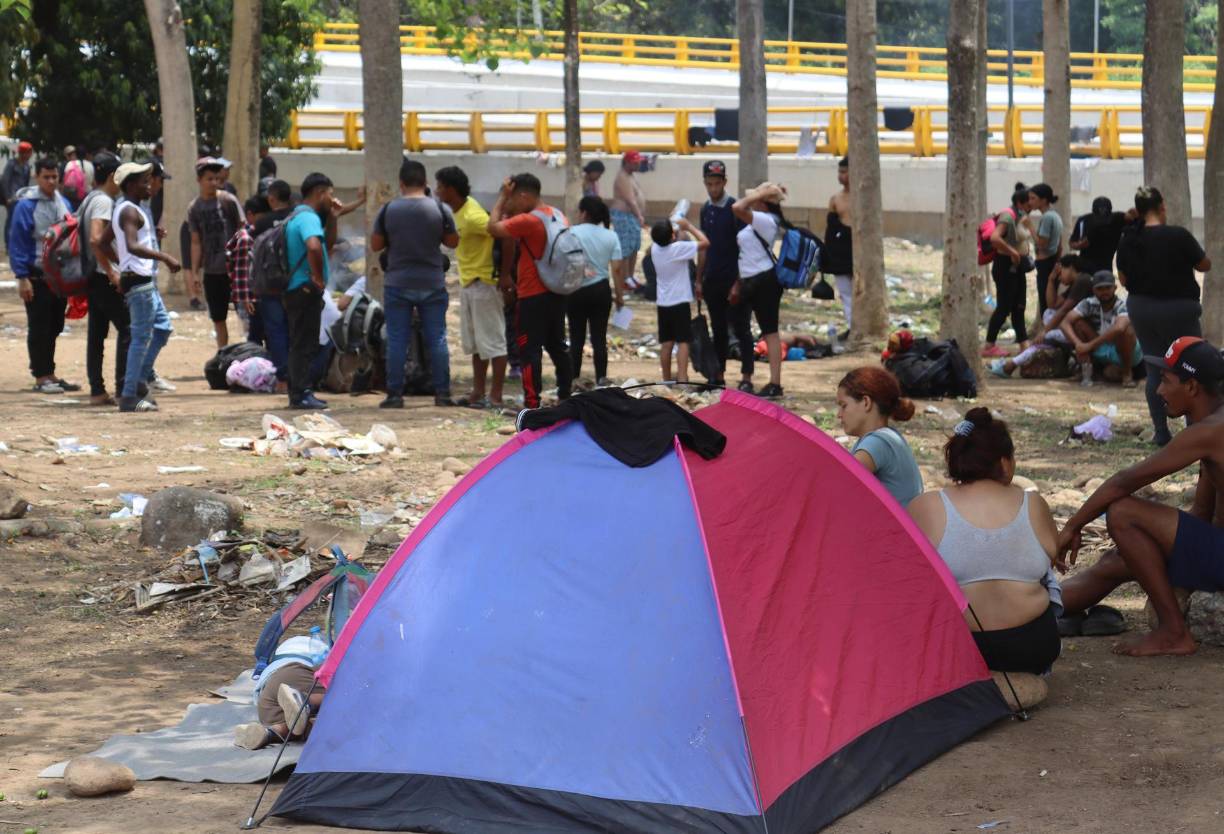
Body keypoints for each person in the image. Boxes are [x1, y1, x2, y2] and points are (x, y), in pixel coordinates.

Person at [1057, 337, 1224, 657]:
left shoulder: (1211, 431)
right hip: (1217, 546)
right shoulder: (1210, 425)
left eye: (1166, 380)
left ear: (1191, 387)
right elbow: (1202, 511)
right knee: (1118, 560)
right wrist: (1147, 547)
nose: (1159, 390)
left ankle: (1174, 632)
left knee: (1123, 513)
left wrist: (1073, 525)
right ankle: (1029, 610)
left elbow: (1125, 481)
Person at [908, 408, 1062, 674]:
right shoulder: (1032, 503)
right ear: (1004, 463)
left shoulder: (927, 506)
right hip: (1033, 646)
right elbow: (1052, 555)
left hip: (958, 649)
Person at [1116, 186, 1212, 446]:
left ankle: (1161, 431)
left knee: (1155, 367)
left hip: (1142, 308)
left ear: (1137, 210)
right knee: (1192, 367)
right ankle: (1196, 429)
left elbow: (1123, 279)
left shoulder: (1128, 239)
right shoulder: (1178, 236)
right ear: (1162, 207)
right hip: (1179, 309)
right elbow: (1205, 264)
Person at [371, 159, 458, 409]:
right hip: (431, 281)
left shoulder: (388, 210)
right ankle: (442, 393)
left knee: (397, 339)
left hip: (397, 283)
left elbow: (376, 245)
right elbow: (453, 242)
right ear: (425, 182)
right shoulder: (439, 209)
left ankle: (395, 395)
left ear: (401, 183)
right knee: (437, 338)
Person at [488, 173, 573, 409]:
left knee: (528, 349)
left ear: (524, 196)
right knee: (557, 345)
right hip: (556, 290)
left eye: (513, 198)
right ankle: (566, 394)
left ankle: (532, 402)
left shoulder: (529, 220)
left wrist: (501, 198)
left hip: (532, 294)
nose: (511, 204)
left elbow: (493, 228)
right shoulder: (558, 215)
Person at [107, 162, 183, 413]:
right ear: (130, 185)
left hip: (140, 279)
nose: (149, 185)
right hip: (139, 282)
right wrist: (164, 257)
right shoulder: (129, 211)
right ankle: (129, 396)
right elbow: (131, 245)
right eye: (144, 181)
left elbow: (102, 241)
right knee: (140, 339)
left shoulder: (129, 209)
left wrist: (122, 265)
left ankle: (139, 380)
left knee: (162, 328)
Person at [433, 166, 505, 408]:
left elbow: (504, 236)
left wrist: (504, 276)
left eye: (440, 186)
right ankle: (477, 392)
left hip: (484, 283)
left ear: (451, 190)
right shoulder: (456, 211)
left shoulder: (473, 216)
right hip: (468, 283)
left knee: (493, 342)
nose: (437, 191)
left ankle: (495, 396)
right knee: (475, 343)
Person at [10, 157, 79, 394]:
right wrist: (22, 276)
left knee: (55, 325)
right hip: (36, 274)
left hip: (58, 276)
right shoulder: (26, 206)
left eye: (54, 177)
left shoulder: (64, 203)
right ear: (36, 177)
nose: (50, 181)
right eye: (46, 177)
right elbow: (17, 241)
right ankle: (41, 376)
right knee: (39, 326)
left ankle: (50, 373)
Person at [989, 254, 1094, 378]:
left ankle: (1010, 365)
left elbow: (1064, 310)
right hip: (1071, 329)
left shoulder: (1083, 280)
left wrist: (1045, 331)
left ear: (1070, 268)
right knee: (1048, 315)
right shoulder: (1075, 284)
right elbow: (1053, 304)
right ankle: (1011, 364)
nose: (1059, 278)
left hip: (1083, 330)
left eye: (1061, 273)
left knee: (1044, 338)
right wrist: (1050, 279)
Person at [282, 172, 336, 410]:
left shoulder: (297, 216)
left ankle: (299, 392)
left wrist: (334, 216)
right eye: (330, 195)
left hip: (295, 289)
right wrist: (317, 277)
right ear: (319, 193)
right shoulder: (308, 218)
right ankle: (301, 393)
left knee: (301, 342)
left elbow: (327, 246)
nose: (331, 200)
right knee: (304, 343)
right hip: (304, 289)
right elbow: (313, 246)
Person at [80, 152, 129, 406]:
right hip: (102, 275)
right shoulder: (103, 202)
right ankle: (123, 388)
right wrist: (113, 271)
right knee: (128, 328)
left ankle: (97, 390)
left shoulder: (89, 199)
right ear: (112, 176)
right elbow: (96, 239)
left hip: (92, 275)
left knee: (97, 334)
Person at [730, 181, 788, 399]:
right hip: (749, 280)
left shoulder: (766, 220)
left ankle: (775, 382)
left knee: (770, 332)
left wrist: (760, 194)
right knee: (746, 329)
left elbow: (736, 208)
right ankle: (749, 377)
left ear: (763, 202)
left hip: (763, 280)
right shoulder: (758, 221)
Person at [836, 367, 922, 506]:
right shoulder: (889, 437)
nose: (839, 414)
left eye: (843, 406)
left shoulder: (876, 443)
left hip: (896, 528)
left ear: (866, 402)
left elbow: (838, 487)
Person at [234, 634, 327, 751]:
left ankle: (268, 734)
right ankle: (305, 701)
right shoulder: (320, 651)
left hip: (266, 704)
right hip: (293, 676)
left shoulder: (279, 657)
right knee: (340, 697)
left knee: (302, 727)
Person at [187, 157, 244, 348]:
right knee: (219, 319)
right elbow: (196, 241)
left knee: (245, 315)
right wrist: (195, 272)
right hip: (212, 271)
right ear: (199, 180)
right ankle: (223, 355)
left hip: (235, 271)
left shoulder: (228, 201)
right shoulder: (194, 208)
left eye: (216, 179)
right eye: (209, 179)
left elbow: (242, 230)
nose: (213, 183)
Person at [567, 196, 623, 386]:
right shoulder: (611, 236)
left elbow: (564, 260)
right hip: (601, 290)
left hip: (576, 289)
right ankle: (601, 378)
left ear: (584, 213)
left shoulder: (572, 232)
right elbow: (616, 269)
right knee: (599, 337)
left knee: (576, 337)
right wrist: (620, 297)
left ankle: (574, 378)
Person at [649, 217, 708, 384]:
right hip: (680, 302)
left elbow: (664, 237)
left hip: (663, 302)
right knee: (683, 341)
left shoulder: (655, 249)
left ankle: (666, 379)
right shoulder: (678, 249)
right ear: (672, 236)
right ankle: (682, 378)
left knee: (666, 342)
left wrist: (672, 232)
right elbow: (705, 242)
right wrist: (688, 226)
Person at [1060, 270, 1140, 388]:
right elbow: (1064, 322)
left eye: (1108, 288)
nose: (1104, 292)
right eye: (1100, 289)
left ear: (1115, 288)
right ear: (1093, 290)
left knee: (1126, 331)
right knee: (1078, 324)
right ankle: (1087, 370)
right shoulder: (1089, 303)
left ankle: (1127, 373)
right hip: (1101, 345)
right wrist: (1078, 344)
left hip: (1123, 349)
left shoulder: (1123, 304)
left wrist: (1089, 345)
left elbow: (1119, 328)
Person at [982, 183, 1034, 359]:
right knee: (1004, 307)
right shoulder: (1008, 216)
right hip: (1005, 267)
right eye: (1029, 204)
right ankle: (989, 345)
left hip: (1016, 267)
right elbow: (995, 238)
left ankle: (1024, 344)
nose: (1031, 207)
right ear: (1020, 203)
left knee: (1019, 306)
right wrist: (1012, 252)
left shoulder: (1021, 216)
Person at [227, 195, 268, 344]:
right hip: (249, 298)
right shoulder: (246, 237)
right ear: (250, 215)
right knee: (253, 337)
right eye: (262, 216)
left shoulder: (254, 234)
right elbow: (241, 272)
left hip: (256, 295)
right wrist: (245, 298)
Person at [608, 150, 647, 283]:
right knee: (625, 247)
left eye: (638, 162)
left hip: (632, 216)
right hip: (624, 216)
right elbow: (630, 200)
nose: (638, 165)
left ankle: (630, 274)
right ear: (627, 163)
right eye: (635, 163)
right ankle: (624, 277)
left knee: (635, 246)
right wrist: (639, 215)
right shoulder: (622, 177)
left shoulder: (631, 175)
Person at [825, 156, 854, 332]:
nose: (841, 176)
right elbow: (830, 228)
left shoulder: (862, 197)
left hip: (858, 248)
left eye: (844, 172)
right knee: (845, 294)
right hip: (841, 251)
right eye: (839, 172)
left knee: (861, 293)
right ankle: (851, 327)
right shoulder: (835, 199)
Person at [1029, 183, 1063, 319]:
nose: (1030, 202)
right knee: (1050, 298)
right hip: (1052, 260)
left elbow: (1042, 243)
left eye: (1033, 198)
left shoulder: (1047, 217)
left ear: (1043, 200)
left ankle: (1046, 333)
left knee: (1045, 300)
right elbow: (1059, 245)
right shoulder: (1055, 215)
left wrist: (1029, 226)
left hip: (1045, 263)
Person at [1070, 196, 1128, 274]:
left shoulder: (1117, 220)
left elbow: (1133, 215)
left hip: (1105, 268)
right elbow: (1072, 242)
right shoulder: (1084, 221)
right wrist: (1080, 245)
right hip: (1085, 269)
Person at [2, 140, 33, 249]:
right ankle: (7, 244)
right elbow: (5, 181)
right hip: (12, 198)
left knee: (20, 221)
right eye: (28, 152)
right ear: (22, 153)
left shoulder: (27, 166)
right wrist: (7, 197)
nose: (30, 155)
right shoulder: (12, 164)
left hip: (22, 198)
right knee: (10, 221)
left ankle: (17, 243)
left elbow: (26, 183)